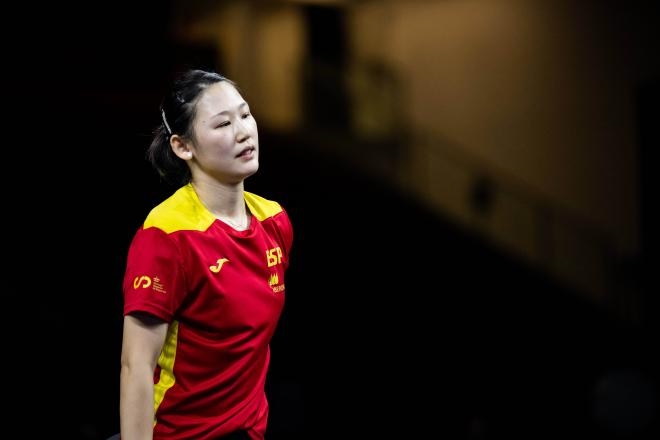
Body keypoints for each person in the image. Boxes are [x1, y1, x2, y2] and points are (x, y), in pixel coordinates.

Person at [119, 69, 293, 440]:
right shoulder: (167, 236)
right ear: (183, 147)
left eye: (245, 115)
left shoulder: (274, 222)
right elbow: (136, 366)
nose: (244, 131)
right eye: (223, 124)